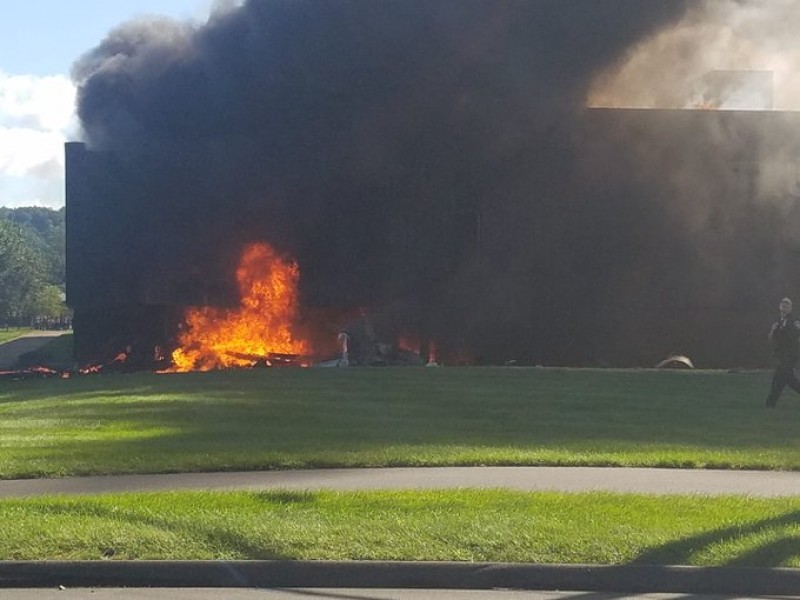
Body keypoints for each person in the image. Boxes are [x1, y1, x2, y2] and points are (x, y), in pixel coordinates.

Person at [766, 297, 800, 408]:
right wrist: (772, 330)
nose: (785, 307)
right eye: (783, 304)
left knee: (778, 377)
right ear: (779, 307)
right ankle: (771, 402)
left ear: (791, 308)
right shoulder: (777, 323)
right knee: (789, 380)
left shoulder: (794, 321)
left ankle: (770, 402)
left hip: (790, 356)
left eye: (787, 305)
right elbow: (771, 339)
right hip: (781, 356)